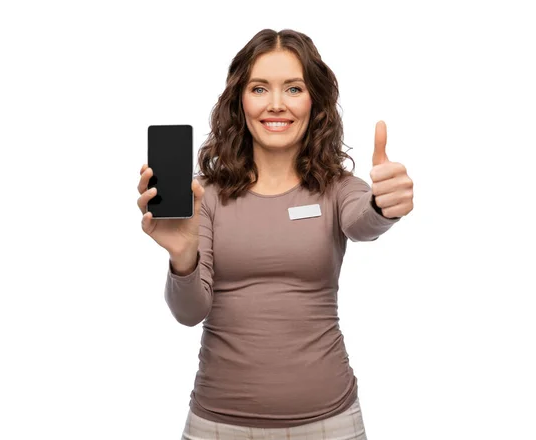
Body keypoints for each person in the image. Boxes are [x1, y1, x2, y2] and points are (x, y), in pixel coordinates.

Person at [137, 28, 414, 440]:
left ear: (314, 101)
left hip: (330, 424)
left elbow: (362, 221)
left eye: (294, 88)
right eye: (260, 88)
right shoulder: (205, 196)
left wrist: (382, 204)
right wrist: (184, 255)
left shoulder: (338, 188)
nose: (276, 104)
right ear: (240, 101)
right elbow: (189, 312)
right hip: (217, 424)